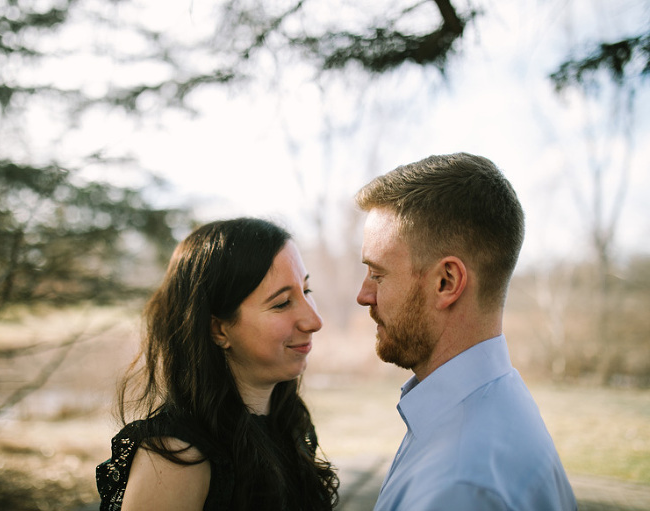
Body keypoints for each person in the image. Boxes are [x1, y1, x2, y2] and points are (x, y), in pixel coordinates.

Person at [355, 153, 577, 510]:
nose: (363, 295)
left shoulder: (460, 486)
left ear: (447, 282)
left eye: (378, 274)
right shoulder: (495, 402)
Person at [96, 217, 339, 511]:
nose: (315, 321)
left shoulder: (289, 419)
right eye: (282, 303)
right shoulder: (176, 457)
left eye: (306, 291)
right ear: (218, 329)